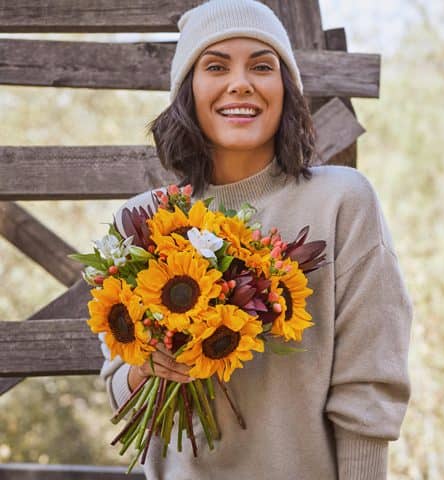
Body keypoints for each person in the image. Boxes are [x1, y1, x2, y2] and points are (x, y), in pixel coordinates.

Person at [96, 1, 413, 479]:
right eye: (216, 66)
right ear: (189, 90)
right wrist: (148, 364)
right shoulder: (142, 221)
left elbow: (369, 376)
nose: (240, 82)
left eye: (262, 66)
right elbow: (117, 389)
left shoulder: (342, 201)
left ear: (285, 89)